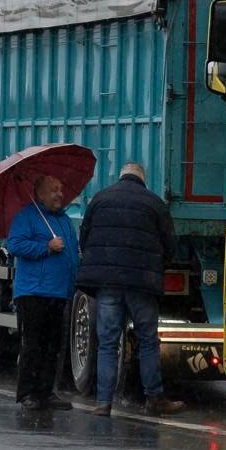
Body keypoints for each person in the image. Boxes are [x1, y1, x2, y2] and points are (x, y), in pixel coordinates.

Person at [75, 161, 185, 416]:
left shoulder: (100, 200)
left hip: (108, 285)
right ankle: (154, 398)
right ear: (142, 179)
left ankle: (103, 402)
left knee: (108, 342)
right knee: (147, 340)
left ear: (121, 176)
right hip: (142, 284)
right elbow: (170, 244)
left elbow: (85, 239)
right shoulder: (154, 203)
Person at [5, 173, 78, 412]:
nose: (59, 194)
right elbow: (14, 245)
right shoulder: (27, 217)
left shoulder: (64, 220)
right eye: (53, 190)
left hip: (58, 293)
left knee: (53, 346)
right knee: (33, 344)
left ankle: (46, 391)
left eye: (60, 189)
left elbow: (72, 254)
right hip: (34, 291)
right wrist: (45, 247)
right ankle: (28, 392)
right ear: (40, 194)